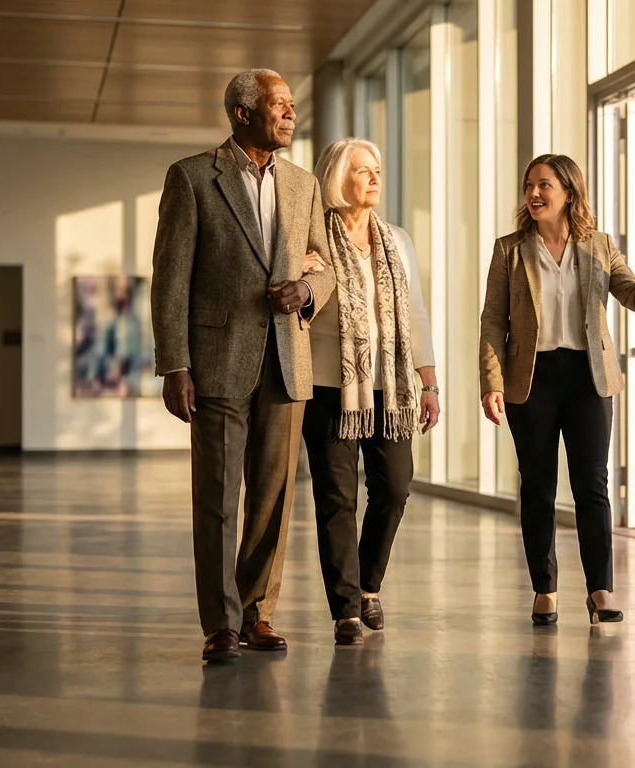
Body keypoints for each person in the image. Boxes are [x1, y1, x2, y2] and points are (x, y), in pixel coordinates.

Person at [150, 68, 334, 662]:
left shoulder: (304, 185)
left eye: (291, 105)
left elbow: (325, 268)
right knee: (218, 497)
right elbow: (170, 280)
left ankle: (259, 613)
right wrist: (174, 363)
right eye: (278, 104)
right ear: (241, 112)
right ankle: (220, 624)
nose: (290, 113)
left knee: (273, 500)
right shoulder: (193, 177)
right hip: (215, 361)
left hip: (287, 359)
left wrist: (306, 294)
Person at [478, 154, 635, 626]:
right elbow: (492, 321)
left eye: (544, 185)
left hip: (589, 379)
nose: (534, 194)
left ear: (569, 192)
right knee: (538, 488)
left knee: (592, 487)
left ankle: (600, 590)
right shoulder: (509, 250)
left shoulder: (599, 247)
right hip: (531, 378)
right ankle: (545, 589)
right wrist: (491, 382)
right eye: (529, 186)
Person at [305, 138, 440, 646]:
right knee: (335, 497)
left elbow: (416, 315)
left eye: (377, 169)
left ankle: (368, 585)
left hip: (391, 386)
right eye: (363, 170)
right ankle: (345, 609)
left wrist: (428, 382)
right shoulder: (313, 235)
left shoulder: (397, 240)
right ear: (339, 178)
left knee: (395, 486)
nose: (374, 178)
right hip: (328, 386)